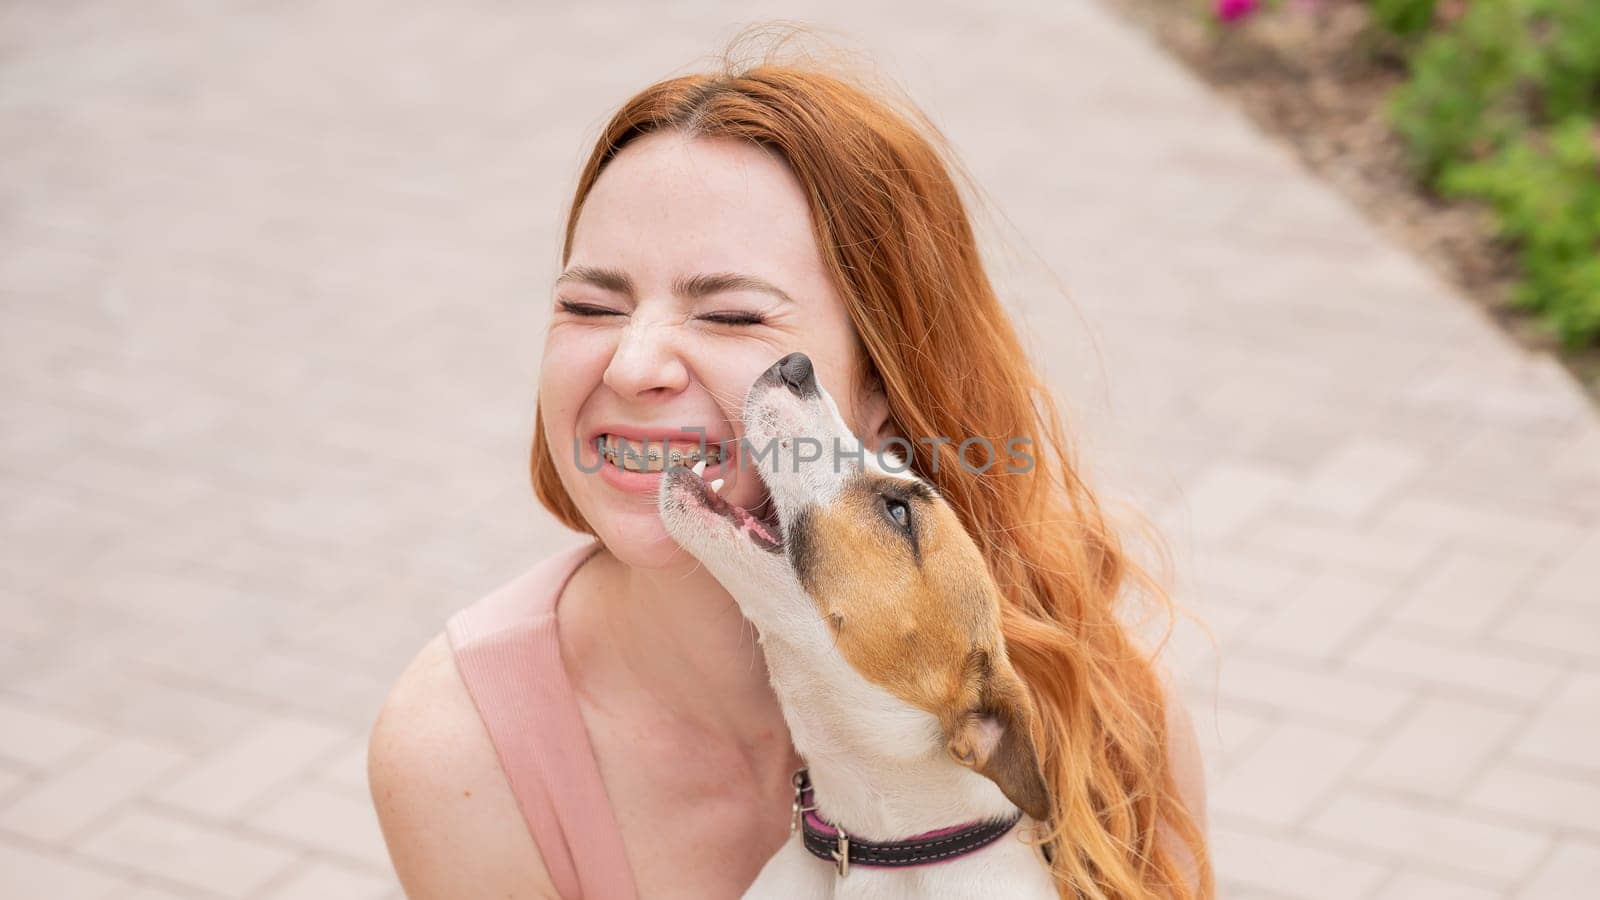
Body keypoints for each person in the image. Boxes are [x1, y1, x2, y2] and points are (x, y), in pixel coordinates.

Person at [368, 42, 1211, 900]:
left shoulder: (1091, 690)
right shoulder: (461, 752)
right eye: (588, 305)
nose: (631, 365)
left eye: (731, 314)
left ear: (883, 390)